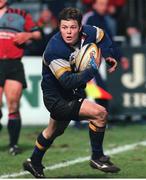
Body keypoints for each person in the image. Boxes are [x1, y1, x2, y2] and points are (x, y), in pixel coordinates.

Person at [23, 7, 120, 178]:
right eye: (64, 27)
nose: (68, 32)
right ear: (59, 27)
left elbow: (102, 36)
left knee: (54, 131)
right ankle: (97, 157)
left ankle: (33, 161)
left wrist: (108, 54)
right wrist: (93, 68)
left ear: (80, 27)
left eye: (72, 27)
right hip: (56, 98)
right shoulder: (55, 50)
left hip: (72, 93)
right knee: (100, 113)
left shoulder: (89, 32)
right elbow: (67, 82)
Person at [0, 0, 41, 155]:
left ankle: (13, 145)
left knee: (13, 104)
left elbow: (38, 33)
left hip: (13, 64)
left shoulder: (21, 15)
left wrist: (28, 34)